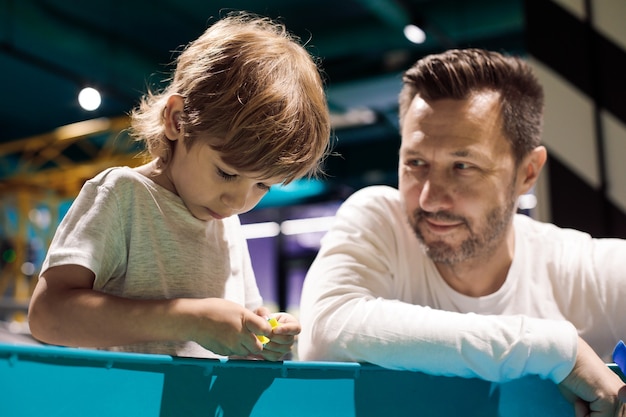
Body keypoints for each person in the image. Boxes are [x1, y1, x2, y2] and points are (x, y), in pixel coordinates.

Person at [298, 48, 626, 415]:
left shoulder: (588, 271)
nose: (430, 198)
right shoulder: (381, 219)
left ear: (527, 173)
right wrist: (556, 348)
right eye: (416, 163)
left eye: (462, 166)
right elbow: (326, 332)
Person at [28, 11, 331, 361]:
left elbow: (243, 332)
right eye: (227, 173)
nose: (237, 200)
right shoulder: (122, 194)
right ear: (176, 120)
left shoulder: (227, 224)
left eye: (262, 185)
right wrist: (190, 319)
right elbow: (47, 316)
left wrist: (265, 337)